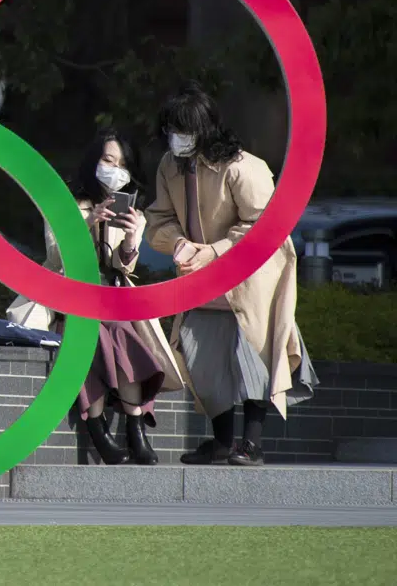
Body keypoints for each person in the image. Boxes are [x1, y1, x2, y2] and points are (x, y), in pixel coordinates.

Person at [145, 82, 319, 467]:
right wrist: (177, 244)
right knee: (201, 359)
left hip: (252, 276)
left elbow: (263, 226)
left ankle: (251, 443)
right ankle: (222, 441)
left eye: (184, 129)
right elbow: (158, 219)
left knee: (254, 356)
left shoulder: (244, 167)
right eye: (171, 129)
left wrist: (213, 251)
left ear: (205, 129)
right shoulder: (168, 167)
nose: (176, 138)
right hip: (199, 277)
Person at [18, 128, 180, 465]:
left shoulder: (127, 208)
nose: (114, 169)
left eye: (122, 164)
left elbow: (124, 267)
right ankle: (98, 429)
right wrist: (89, 222)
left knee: (121, 330)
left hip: (110, 299)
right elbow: (57, 256)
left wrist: (133, 240)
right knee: (88, 336)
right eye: (108, 160)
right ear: (94, 161)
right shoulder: (64, 203)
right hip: (67, 300)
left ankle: (136, 428)